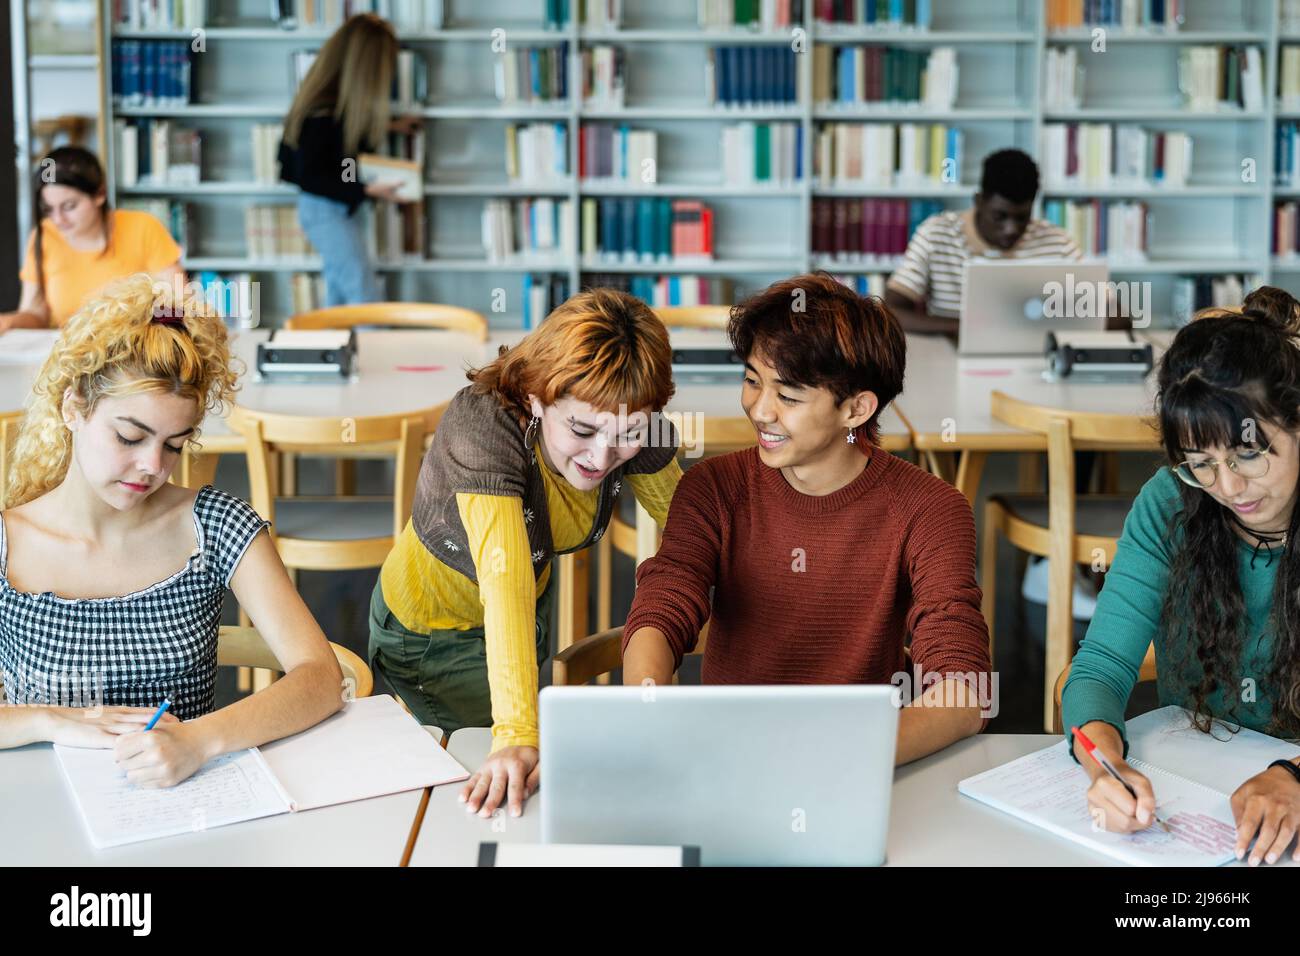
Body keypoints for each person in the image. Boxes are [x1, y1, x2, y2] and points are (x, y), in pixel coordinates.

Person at [622, 272, 992, 765]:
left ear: (857, 409)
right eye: (752, 380)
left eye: (789, 397)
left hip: (861, 759)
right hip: (730, 755)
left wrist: (838, 759)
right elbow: (665, 602)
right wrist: (647, 708)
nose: (760, 409)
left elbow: (963, 689)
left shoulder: (931, 509)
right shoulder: (712, 488)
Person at [0, 274, 345, 787]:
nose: (150, 466)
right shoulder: (9, 542)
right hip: (39, 811)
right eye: (129, 436)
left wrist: (200, 740)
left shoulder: (217, 526)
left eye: (173, 445)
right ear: (73, 409)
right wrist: (51, 720)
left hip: (182, 804)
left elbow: (320, 678)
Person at [370, 288, 682, 818]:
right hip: (432, 633)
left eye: (628, 433)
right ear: (536, 396)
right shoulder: (481, 428)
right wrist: (515, 732)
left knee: (524, 772)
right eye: (581, 429)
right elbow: (504, 584)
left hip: (526, 605)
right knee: (501, 785)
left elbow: (691, 530)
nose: (603, 456)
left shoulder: (626, 419)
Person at [1062, 310, 1300, 866]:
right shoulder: (1171, 501)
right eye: (1201, 464)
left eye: (1248, 454)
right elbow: (1099, 667)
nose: (1230, 487)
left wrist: (1292, 775)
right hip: (1205, 797)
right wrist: (1105, 763)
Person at [278, 13, 418, 307]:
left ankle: (341, 350)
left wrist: (391, 126)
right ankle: (377, 352)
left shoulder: (333, 106)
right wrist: (366, 190)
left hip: (335, 209)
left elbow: (340, 149)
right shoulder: (322, 114)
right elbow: (310, 176)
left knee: (341, 296)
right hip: (325, 211)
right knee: (362, 292)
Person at [884, 148, 1082, 338]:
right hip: (953, 357)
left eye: (1022, 217)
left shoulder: (1058, 242)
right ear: (979, 201)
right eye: (999, 216)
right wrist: (966, 329)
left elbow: (1111, 314)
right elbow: (891, 310)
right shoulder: (936, 234)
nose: (1011, 229)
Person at [0, 147, 182, 330]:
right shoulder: (44, 236)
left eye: (69, 206)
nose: (58, 219)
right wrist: (9, 322)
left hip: (132, 350)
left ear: (100, 195)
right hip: (65, 352)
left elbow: (178, 306)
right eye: (49, 209)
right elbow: (36, 314)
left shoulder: (143, 227)